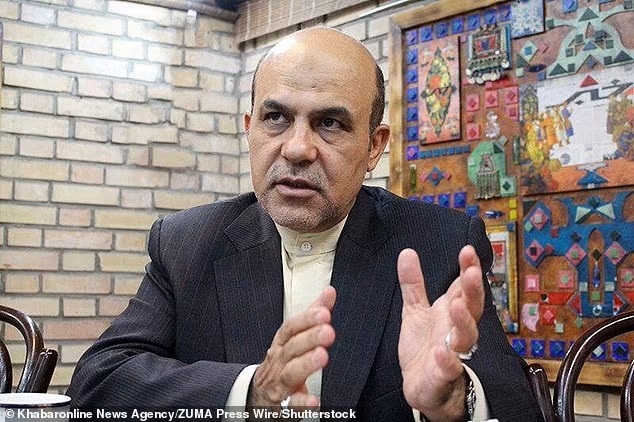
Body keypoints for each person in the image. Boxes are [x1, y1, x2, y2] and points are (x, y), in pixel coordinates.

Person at [67, 27, 542, 421]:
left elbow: (519, 406)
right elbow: (99, 382)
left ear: (374, 147)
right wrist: (250, 392)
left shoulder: (438, 245)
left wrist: (454, 400)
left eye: (330, 123)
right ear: (250, 128)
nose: (297, 148)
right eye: (276, 117)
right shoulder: (186, 243)